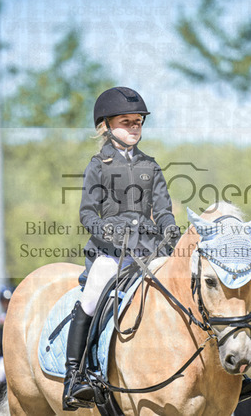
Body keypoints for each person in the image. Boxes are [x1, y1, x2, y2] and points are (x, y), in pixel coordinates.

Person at [63, 86, 182, 410]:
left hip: (149, 249)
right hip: (110, 252)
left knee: (187, 287)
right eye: (126, 122)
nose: (134, 127)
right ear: (106, 126)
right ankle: (74, 376)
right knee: (91, 298)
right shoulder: (98, 165)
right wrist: (105, 230)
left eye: (138, 122)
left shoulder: (151, 166)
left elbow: (163, 209)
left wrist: (170, 228)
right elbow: (87, 213)